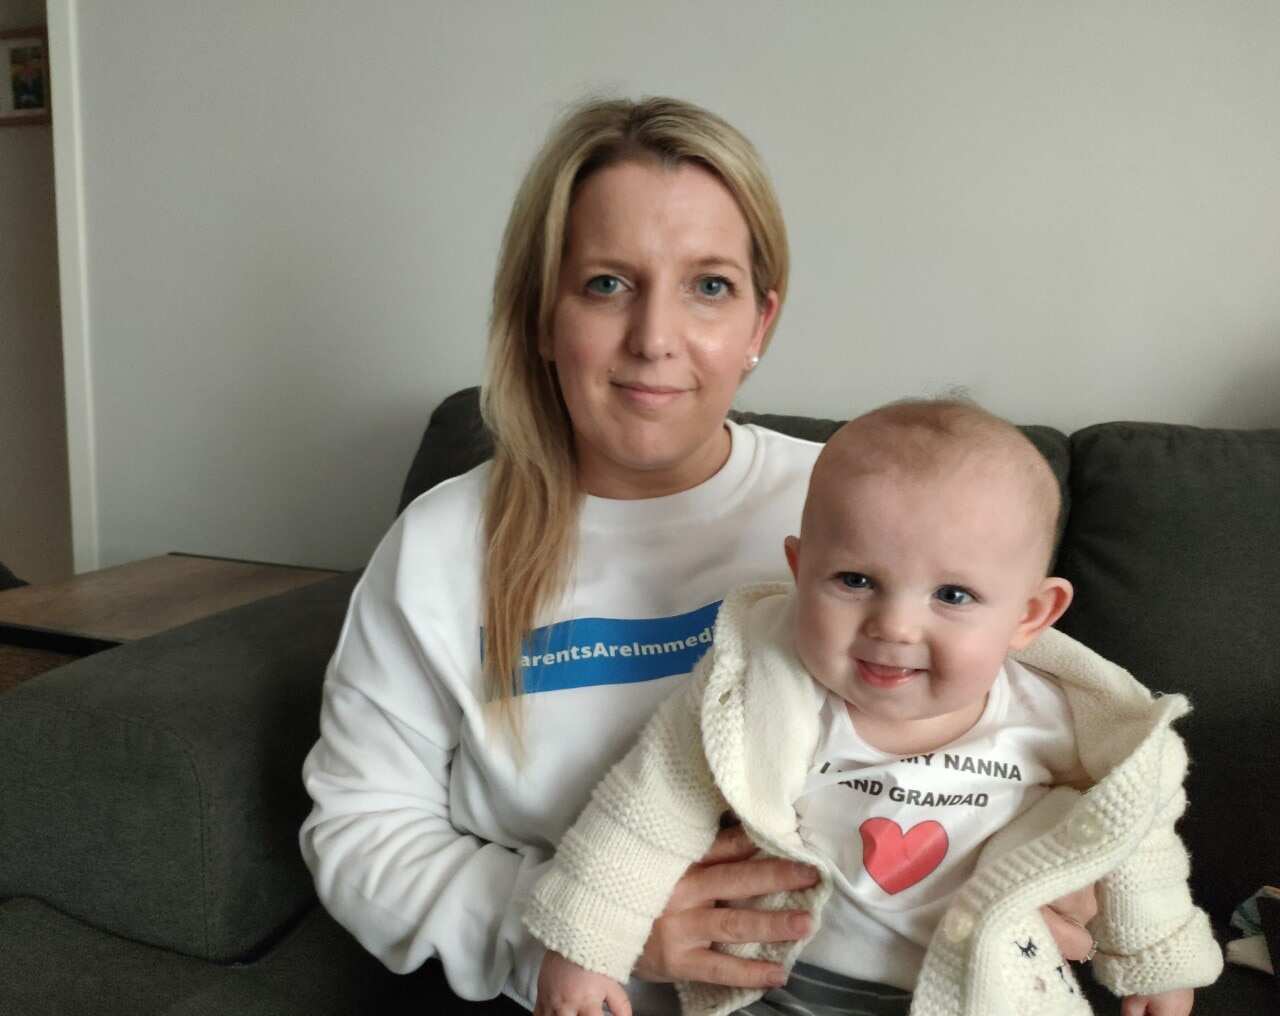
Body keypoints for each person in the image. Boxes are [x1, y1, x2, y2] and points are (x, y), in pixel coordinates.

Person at [298, 96, 1098, 1015]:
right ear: (542, 316)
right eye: (607, 284)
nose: (654, 339)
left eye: (708, 287)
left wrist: (1074, 871)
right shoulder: (445, 544)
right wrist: (581, 929)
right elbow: (359, 832)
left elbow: (1034, 726)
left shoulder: (860, 513)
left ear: (759, 323)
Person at [525, 400, 1223, 1016]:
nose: (894, 626)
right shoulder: (758, 687)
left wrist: (1158, 957)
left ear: (1030, 615)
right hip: (780, 988)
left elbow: (1136, 835)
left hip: (983, 990)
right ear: (800, 572)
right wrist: (584, 946)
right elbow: (648, 809)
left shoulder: (1061, 720)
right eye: (855, 580)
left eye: (952, 595)